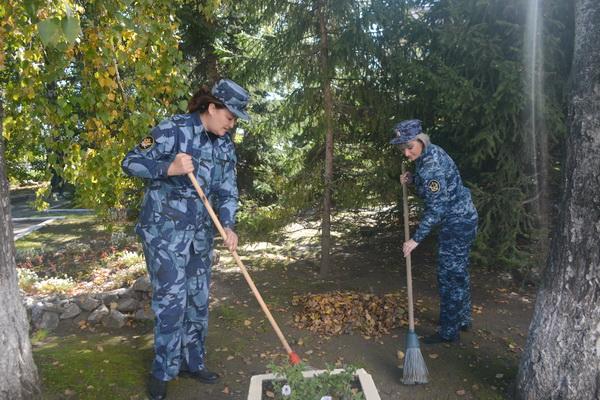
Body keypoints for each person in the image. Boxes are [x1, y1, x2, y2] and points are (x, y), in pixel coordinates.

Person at [122, 79, 250, 400]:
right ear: (211, 108)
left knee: (197, 300)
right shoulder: (172, 129)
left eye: (235, 120)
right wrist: (170, 167)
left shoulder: (224, 145)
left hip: (200, 237)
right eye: (230, 117)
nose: (231, 124)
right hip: (164, 235)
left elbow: (227, 190)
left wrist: (229, 224)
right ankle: (163, 371)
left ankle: (193, 362)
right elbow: (131, 161)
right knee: (171, 303)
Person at [390, 119, 478, 344]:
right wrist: (412, 179)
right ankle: (463, 319)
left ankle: (449, 333)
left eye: (410, 147)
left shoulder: (431, 165)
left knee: (449, 276)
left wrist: (415, 240)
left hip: (456, 222)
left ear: (421, 140)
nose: (407, 153)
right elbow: (434, 188)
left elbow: (437, 207)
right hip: (462, 216)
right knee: (458, 272)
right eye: (403, 149)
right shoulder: (428, 154)